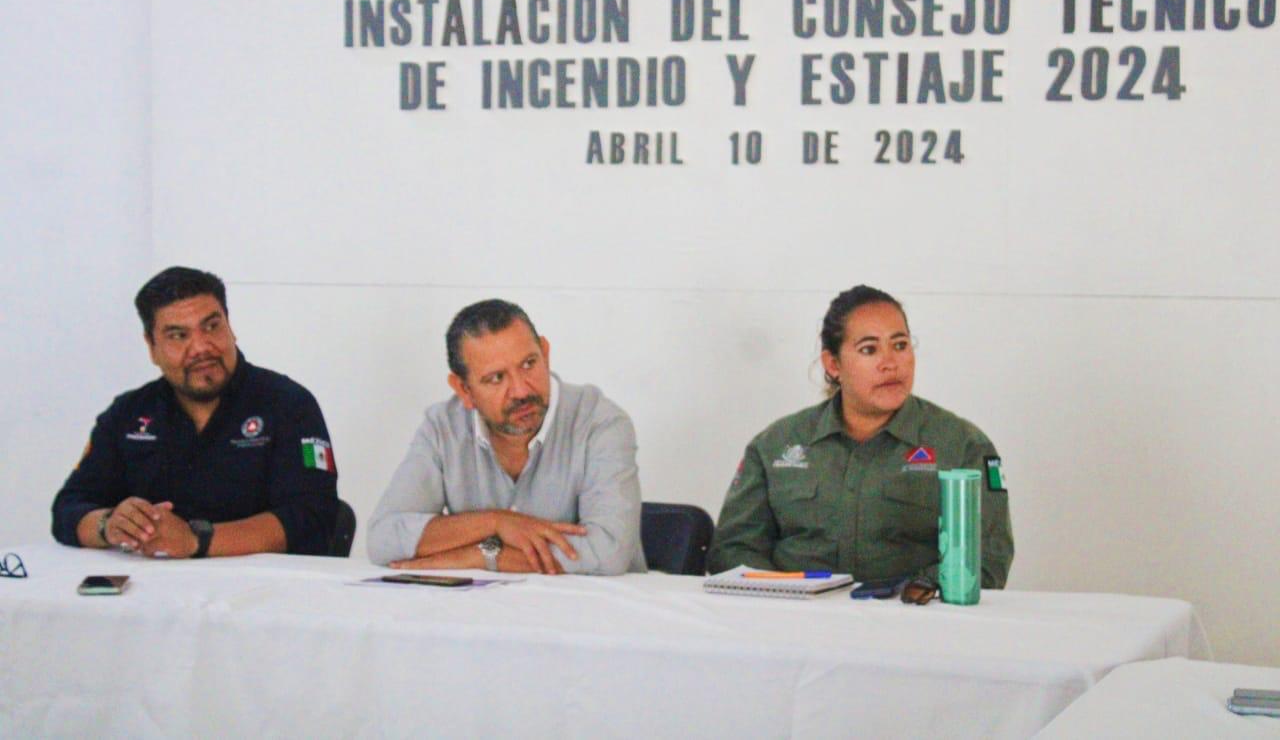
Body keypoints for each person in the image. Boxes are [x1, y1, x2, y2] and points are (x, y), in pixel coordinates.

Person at [706, 285, 1013, 587]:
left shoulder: (963, 445)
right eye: (869, 349)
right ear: (833, 365)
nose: (890, 363)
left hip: (914, 614)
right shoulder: (775, 445)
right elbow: (732, 549)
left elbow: (988, 559)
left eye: (900, 345)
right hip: (796, 614)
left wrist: (908, 592)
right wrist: (785, 593)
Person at [51, 267, 339, 558]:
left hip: (264, 583)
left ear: (230, 327)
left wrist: (195, 540)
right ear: (152, 347)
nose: (201, 347)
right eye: (178, 335)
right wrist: (110, 525)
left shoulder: (289, 403)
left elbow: (314, 516)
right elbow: (68, 509)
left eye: (212, 327)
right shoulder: (128, 413)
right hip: (153, 581)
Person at [367, 299, 644, 575]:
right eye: (497, 378)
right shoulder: (443, 427)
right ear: (464, 389)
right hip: (478, 603)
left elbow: (609, 553)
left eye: (529, 364)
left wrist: (484, 556)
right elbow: (383, 538)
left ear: (545, 354)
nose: (521, 391)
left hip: (589, 602)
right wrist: (495, 522)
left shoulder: (601, 423)